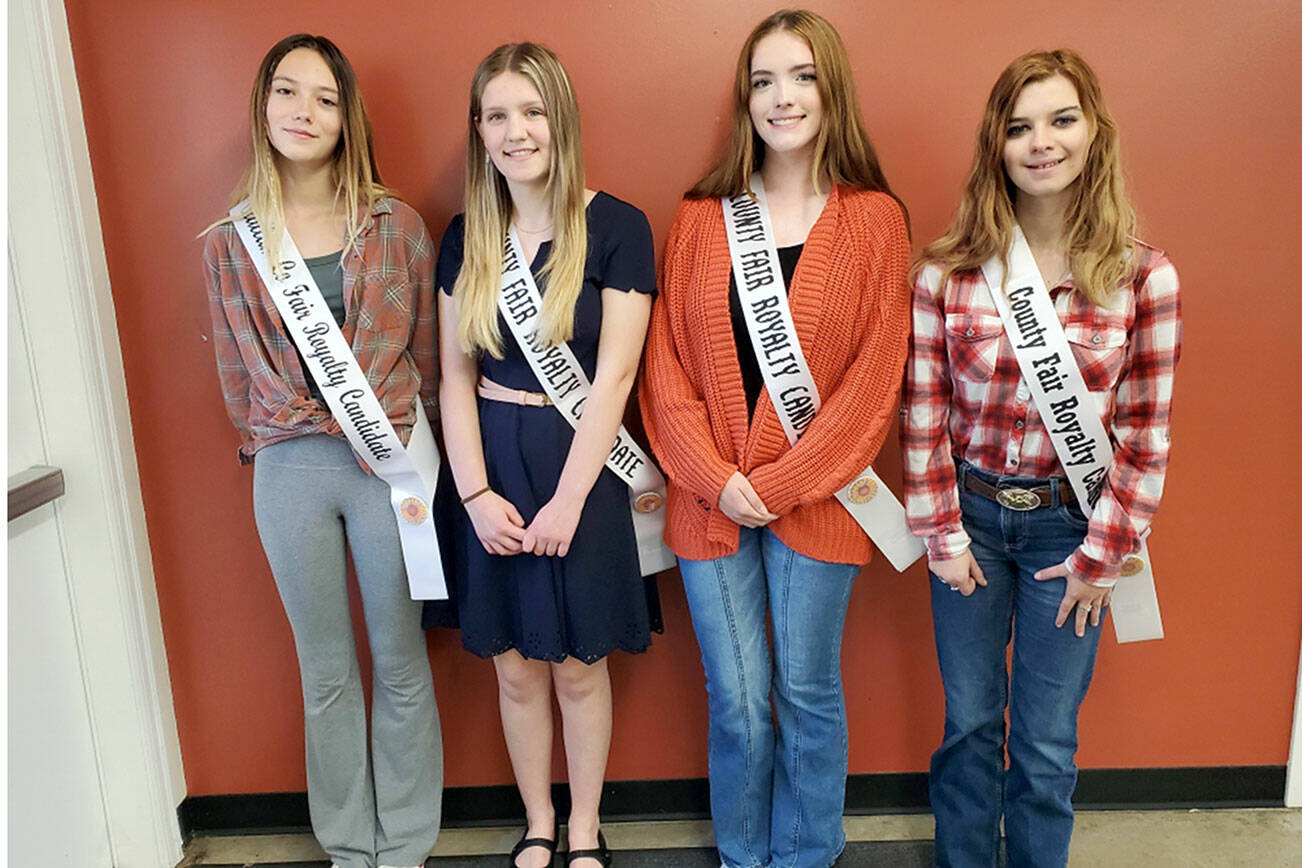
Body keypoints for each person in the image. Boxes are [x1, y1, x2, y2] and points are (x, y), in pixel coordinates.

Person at [639, 10, 912, 868]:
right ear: (745, 99)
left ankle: (804, 853)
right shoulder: (698, 218)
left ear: (832, 91)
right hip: (709, 503)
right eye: (763, 81)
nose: (782, 97)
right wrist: (713, 477)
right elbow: (664, 366)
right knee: (737, 701)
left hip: (818, 503)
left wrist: (784, 482)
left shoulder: (874, 221)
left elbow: (875, 382)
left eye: (801, 77)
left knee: (806, 692)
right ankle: (742, 852)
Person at [903, 49, 1181, 867]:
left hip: (1073, 531)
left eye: (1061, 120)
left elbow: (1146, 433)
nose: (1041, 143)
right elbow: (923, 413)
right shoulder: (947, 273)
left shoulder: (1144, 277)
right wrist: (941, 536)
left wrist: (1105, 556)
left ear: (1094, 132)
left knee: (1047, 739)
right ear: (997, 144)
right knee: (969, 724)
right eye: (1020, 127)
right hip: (971, 525)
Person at [201, 34, 442, 868]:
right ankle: (347, 847)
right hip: (289, 468)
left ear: (347, 119)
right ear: (262, 105)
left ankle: (404, 845)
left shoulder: (397, 225)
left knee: (401, 658)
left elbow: (427, 354)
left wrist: (408, 446)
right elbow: (235, 376)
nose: (304, 112)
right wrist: (285, 430)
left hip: (386, 463)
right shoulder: (229, 243)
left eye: (326, 98)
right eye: (287, 91)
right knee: (326, 671)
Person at [436, 42, 661, 868]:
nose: (516, 131)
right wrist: (473, 495)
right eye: (497, 115)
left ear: (560, 119)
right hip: (492, 467)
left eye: (532, 111)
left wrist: (569, 500)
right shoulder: (467, 236)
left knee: (576, 666)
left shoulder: (619, 227)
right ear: (479, 131)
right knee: (514, 669)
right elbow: (453, 377)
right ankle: (537, 820)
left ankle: (585, 827)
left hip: (584, 473)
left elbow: (617, 377)